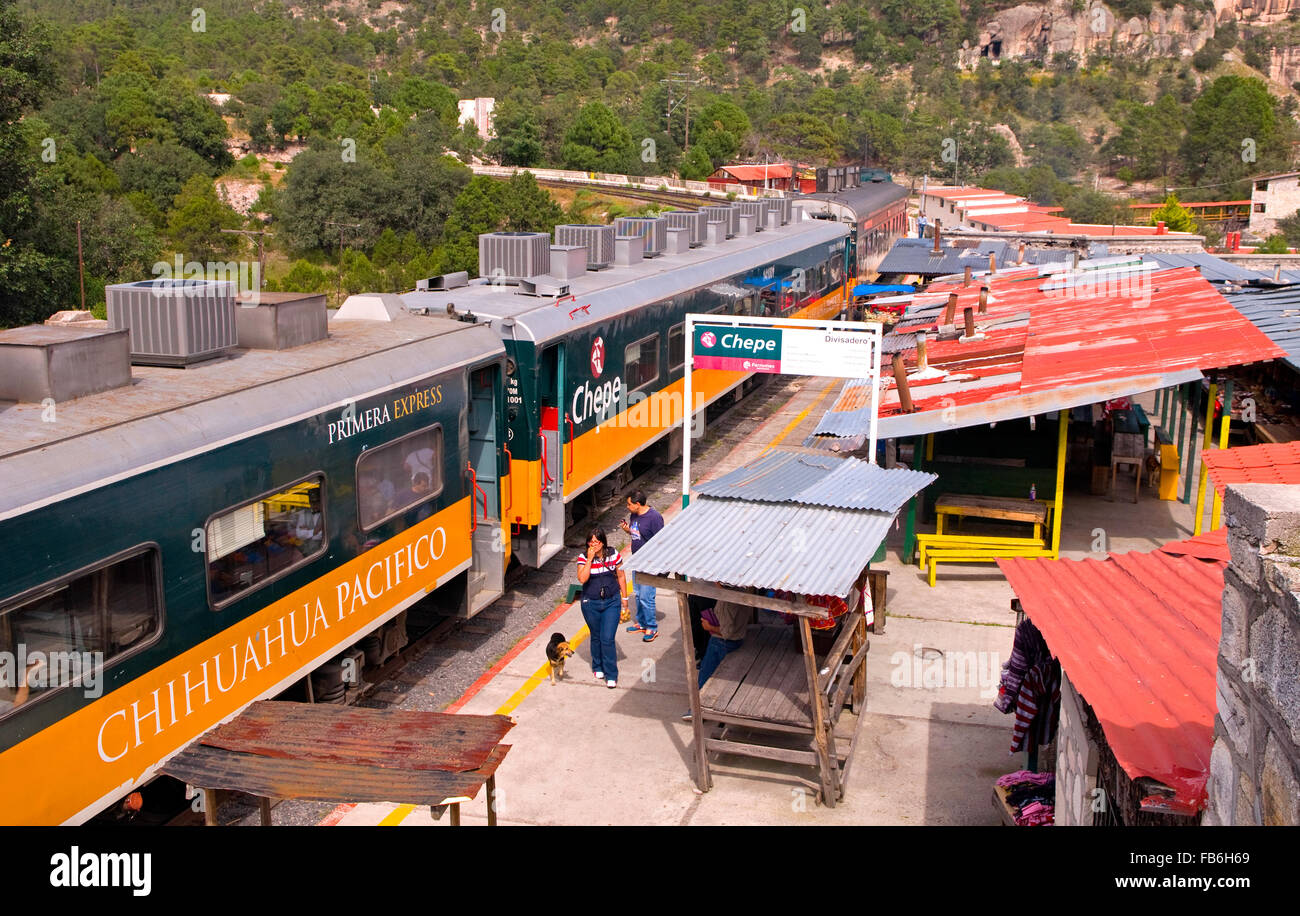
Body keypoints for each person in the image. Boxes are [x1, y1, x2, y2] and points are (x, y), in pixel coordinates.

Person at [576, 527, 627, 689]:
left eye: (597, 541)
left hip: (612, 601)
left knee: (607, 638)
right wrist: (590, 559)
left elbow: (621, 575)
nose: (594, 544)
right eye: (591, 541)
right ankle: (597, 665)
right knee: (596, 635)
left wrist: (624, 599)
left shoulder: (613, 555)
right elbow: (582, 579)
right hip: (591, 603)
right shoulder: (583, 558)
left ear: (603, 542)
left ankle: (611, 674)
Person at [683, 600, 751, 721]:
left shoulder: (727, 602)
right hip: (737, 639)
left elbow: (726, 633)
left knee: (705, 674)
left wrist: (709, 627)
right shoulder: (741, 593)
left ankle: (697, 710)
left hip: (721, 642)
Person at [620, 490, 664, 642]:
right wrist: (628, 530)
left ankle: (651, 627)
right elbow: (636, 534)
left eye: (629, 504)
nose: (627, 507)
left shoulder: (654, 518)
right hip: (637, 560)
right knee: (638, 594)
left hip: (649, 562)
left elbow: (661, 540)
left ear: (638, 504)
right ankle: (642, 623)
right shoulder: (634, 515)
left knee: (647, 596)